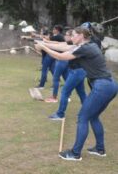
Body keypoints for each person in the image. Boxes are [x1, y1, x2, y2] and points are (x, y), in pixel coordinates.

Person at [35, 27, 118, 161]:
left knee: (82, 117)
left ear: (81, 36)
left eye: (73, 35)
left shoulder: (85, 48)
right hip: (110, 85)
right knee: (93, 116)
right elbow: (63, 47)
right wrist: (43, 43)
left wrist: (44, 48)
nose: (71, 38)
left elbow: (60, 56)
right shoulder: (87, 46)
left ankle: (75, 153)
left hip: (103, 86)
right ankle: (100, 149)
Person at [41, 29, 87, 120]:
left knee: (65, 92)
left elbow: (60, 54)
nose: (67, 37)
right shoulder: (77, 45)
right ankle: (87, 111)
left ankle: (60, 114)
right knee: (81, 92)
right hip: (79, 71)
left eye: (72, 35)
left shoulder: (80, 46)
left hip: (77, 71)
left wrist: (44, 46)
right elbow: (59, 45)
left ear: (80, 36)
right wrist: (45, 44)